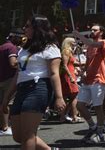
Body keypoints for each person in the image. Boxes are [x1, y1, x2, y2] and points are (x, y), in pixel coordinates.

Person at [2, 15, 66, 149]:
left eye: (27, 26)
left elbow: (54, 73)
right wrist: (6, 98)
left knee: (28, 135)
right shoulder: (24, 49)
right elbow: (18, 75)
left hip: (38, 88)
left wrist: (59, 97)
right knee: (18, 136)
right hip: (21, 89)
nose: (24, 29)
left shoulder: (50, 47)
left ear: (38, 28)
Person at [73, 24, 105, 144]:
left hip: (99, 79)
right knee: (80, 105)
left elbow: (93, 44)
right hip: (88, 80)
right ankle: (92, 126)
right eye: (92, 30)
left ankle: (100, 134)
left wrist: (79, 36)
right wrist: (82, 73)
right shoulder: (89, 47)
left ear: (101, 32)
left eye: (95, 30)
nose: (92, 31)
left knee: (98, 106)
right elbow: (88, 62)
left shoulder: (104, 42)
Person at [0, 29, 21, 136]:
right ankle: (6, 127)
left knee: (2, 103)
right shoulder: (12, 48)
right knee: (9, 103)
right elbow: (13, 63)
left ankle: (3, 126)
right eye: (19, 37)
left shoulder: (2, 47)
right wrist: (24, 63)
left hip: (1, 78)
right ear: (14, 37)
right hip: (9, 79)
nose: (20, 39)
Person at [59, 37, 81, 123]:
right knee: (73, 95)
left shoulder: (69, 52)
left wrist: (83, 64)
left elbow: (72, 63)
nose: (75, 44)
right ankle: (73, 115)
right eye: (73, 42)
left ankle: (64, 116)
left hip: (70, 74)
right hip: (68, 75)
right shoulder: (66, 51)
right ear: (69, 43)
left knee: (69, 96)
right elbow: (64, 65)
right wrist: (70, 77)